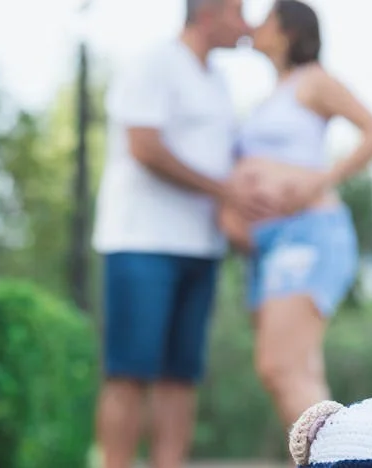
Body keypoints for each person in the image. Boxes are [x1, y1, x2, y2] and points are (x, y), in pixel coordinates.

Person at [91, 1, 275, 467]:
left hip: (201, 248)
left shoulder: (218, 80)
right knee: (129, 372)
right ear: (208, 15)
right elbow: (144, 147)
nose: (247, 25)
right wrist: (224, 191)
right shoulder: (154, 62)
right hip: (142, 243)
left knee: (181, 376)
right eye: (238, 13)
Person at [218, 0, 372, 434]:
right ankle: (325, 458)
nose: (254, 26)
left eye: (265, 20)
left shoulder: (313, 81)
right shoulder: (270, 96)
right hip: (267, 247)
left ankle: (341, 457)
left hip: (307, 233)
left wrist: (320, 181)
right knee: (298, 373)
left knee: (279, 366)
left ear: (289, 31)